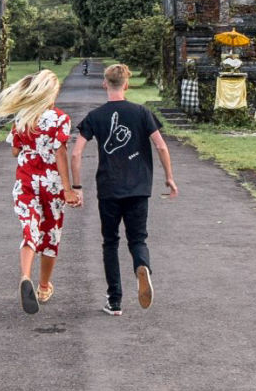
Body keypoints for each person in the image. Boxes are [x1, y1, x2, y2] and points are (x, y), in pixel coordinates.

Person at [70, 63, 178, 316]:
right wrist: (169, 178)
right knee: (138, 239)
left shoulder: (95, 116)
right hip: (139, 188)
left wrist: (77, 186)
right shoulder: (142, 112)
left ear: (104, 84)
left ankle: (115, 300)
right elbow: (161, 147)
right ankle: (142, 266)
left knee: (110, 242)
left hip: (109, 189)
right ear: (126, 84)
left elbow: (75, 153)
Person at [0, 69, 83, 314]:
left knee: (30, 230)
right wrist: (68, 189)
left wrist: (30, 147)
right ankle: (43, 286)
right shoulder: (60, 119)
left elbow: (14, 151)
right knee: (50, 233)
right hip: (51, 184)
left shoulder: (23, 117)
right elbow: (60, 152)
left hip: (25, 181)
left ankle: (25, 276)